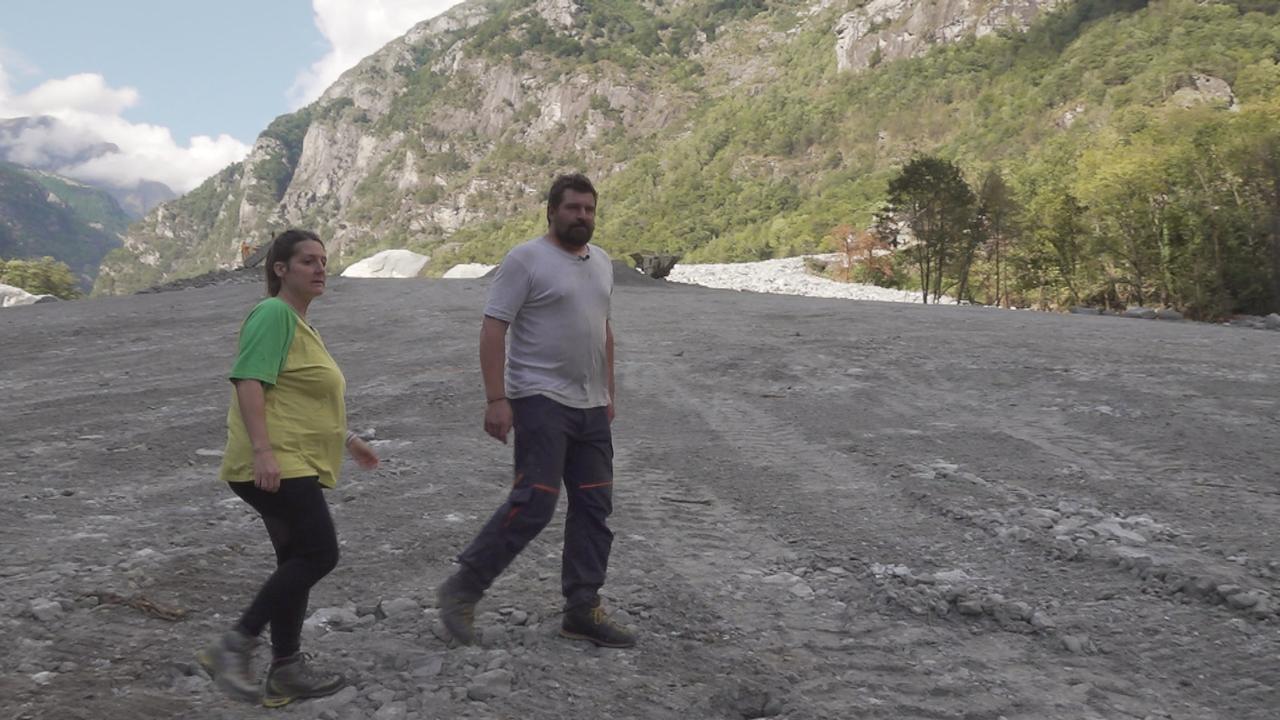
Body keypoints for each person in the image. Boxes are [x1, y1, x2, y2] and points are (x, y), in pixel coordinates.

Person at [436, 173, 635, 649]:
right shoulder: (526, 259)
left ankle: (582, 609)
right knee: (536, 499)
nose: (581, 216)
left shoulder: (603, 262)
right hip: (539, 399)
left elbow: (602, 329)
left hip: (590, 407)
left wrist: (608, 391)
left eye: (588, 209)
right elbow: (493, 328)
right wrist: (496, 398)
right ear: (551, 211)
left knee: (594, 506)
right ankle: (462, 589)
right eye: (572, 208)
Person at [198, 229, 380, 707]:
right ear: (280, 270)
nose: (320, 268)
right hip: (276, 462)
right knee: (319, 555)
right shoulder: (274, 313)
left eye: (323, 260)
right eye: (307, 261)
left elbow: (299, 397)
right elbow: (250, 382)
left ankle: (286, 671)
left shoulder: (300, 324)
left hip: (288, 458)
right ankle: (234, 645)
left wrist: (349, 438)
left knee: (295, 560)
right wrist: (263, 451)